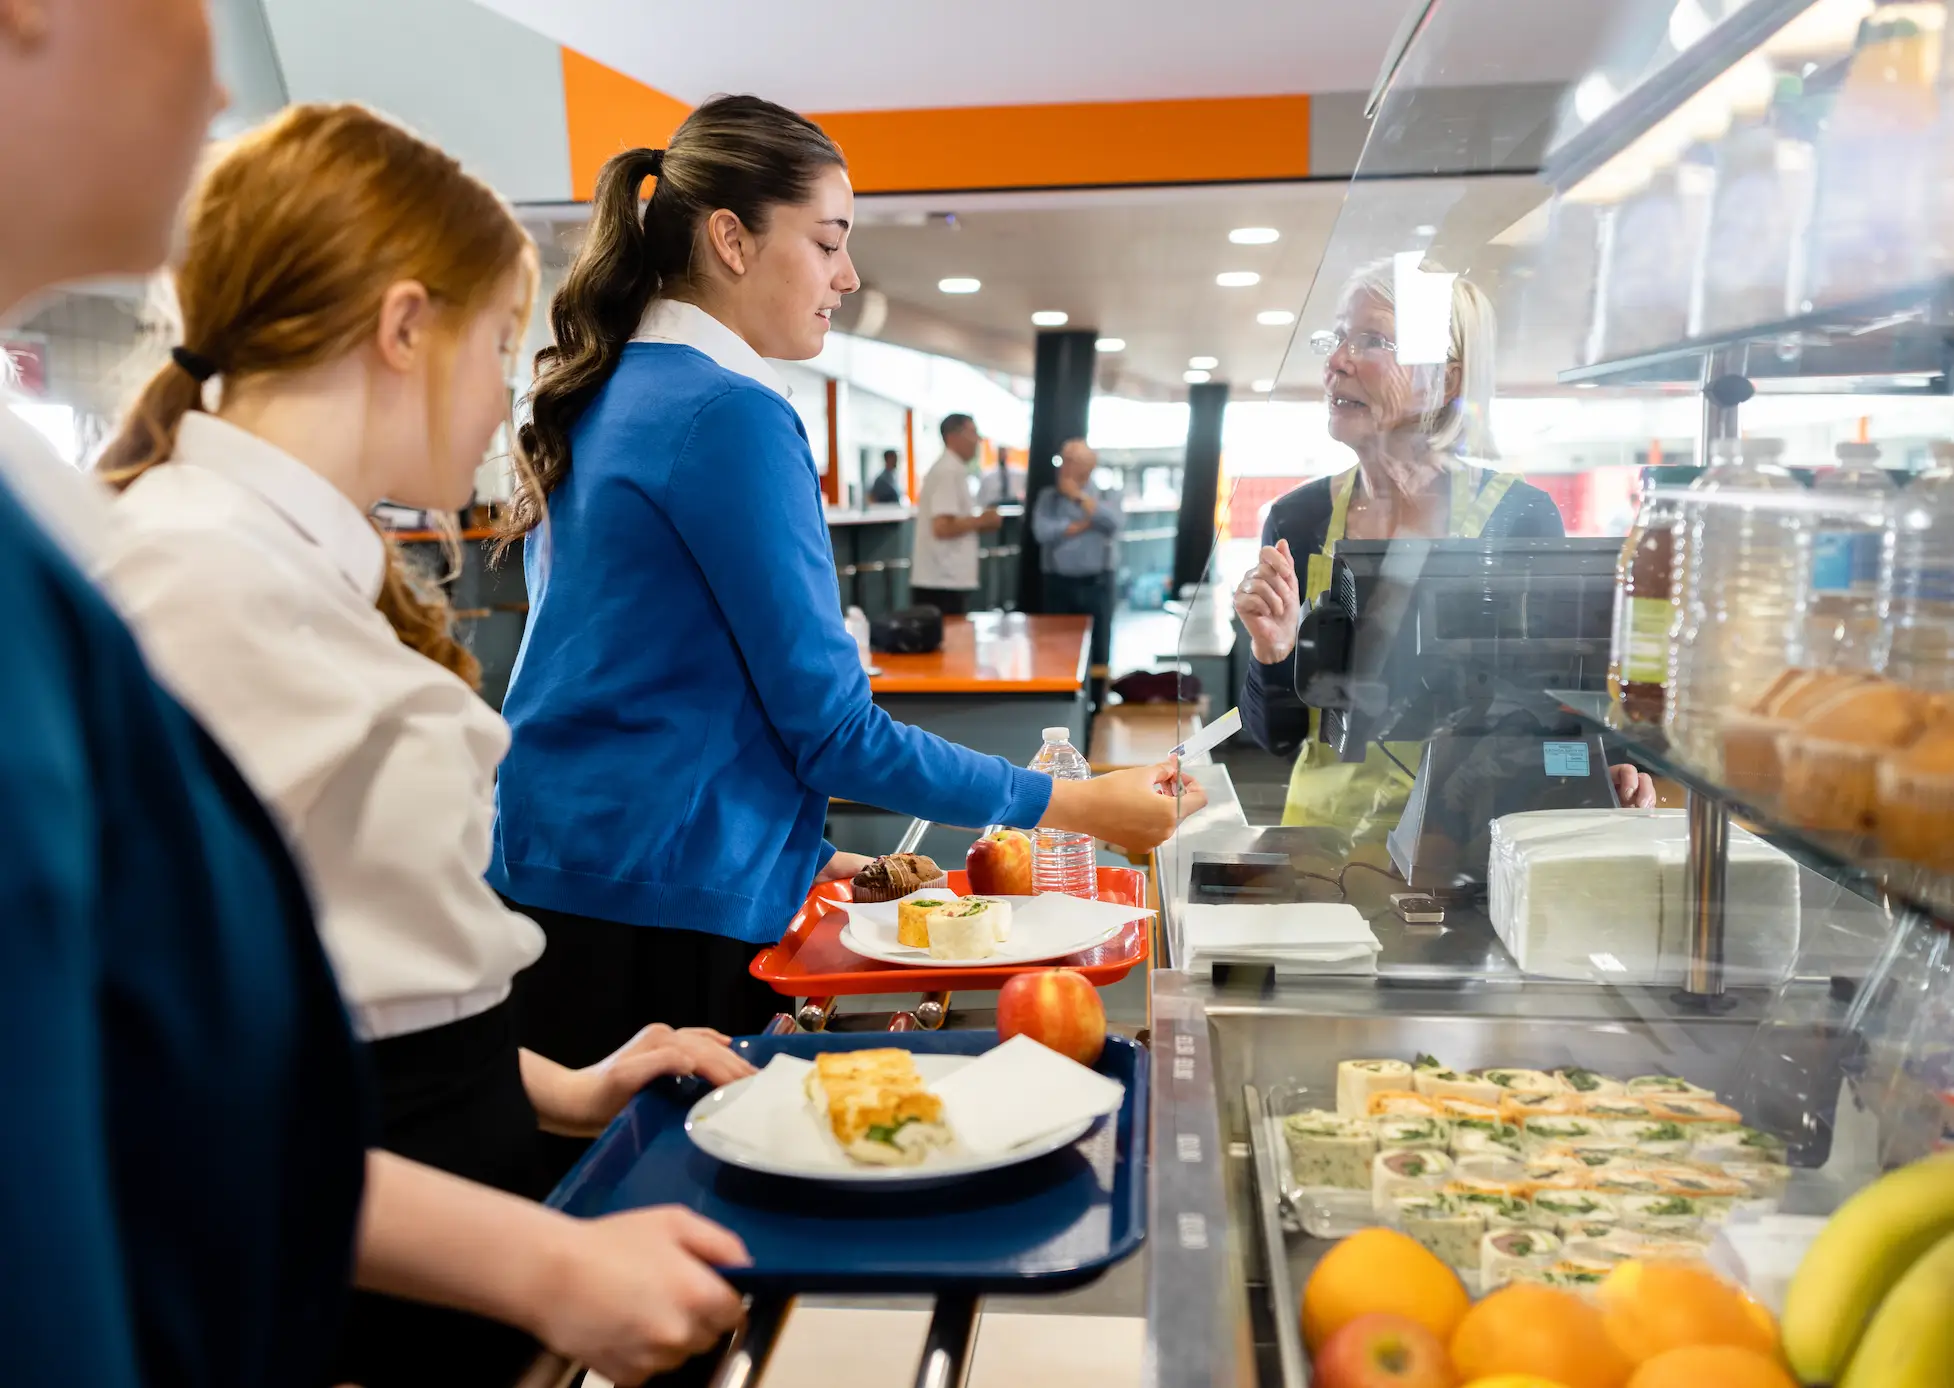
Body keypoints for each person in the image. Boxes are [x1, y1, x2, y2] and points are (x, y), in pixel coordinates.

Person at [88, 103, 753, 1388]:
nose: (508, 391)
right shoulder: (198, 580)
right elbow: (156, 1098)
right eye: (500, 343)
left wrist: (571, 1087)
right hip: (353, 1299)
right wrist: (549, 1266)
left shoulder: (280, 557)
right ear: (404, 327)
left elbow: (332, 995)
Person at [489, 97, 1203, 1063]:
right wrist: (1081, 803)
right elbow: (834, 735)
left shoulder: (608, 388)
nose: (849, 274)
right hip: (660, 909)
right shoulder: (729, 415)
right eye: (829, 243)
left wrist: (818, 856)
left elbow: (639, 684)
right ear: (732, 240)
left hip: (563, 876)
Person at [1233, 261, 1655, 842]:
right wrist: (1272, 653)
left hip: (1467, 839)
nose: (1336, 362)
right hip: (1325, 843)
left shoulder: (1518, 517)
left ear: (1447, 380)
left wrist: (1602, 767)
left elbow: (1553, 703)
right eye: (1336, 339)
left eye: (1374, 340)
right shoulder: (1296, 519)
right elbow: (1277, 740)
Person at [1032, 436, 1122, 681]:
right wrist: (1081, 525)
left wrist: (1078, 497)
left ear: (1090, 464)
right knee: (1056, 651)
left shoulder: (1106, 493)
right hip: (1058, 584)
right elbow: (1042, 532)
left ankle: (1097, 706)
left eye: (1072, 460)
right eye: (1063, 459)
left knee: (1099, 650)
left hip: (1097, 583)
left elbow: (1113, 523)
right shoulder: (1048, 498)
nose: (1065, 466)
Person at [912, 411, 999, 613]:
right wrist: (983, 520)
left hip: (946, 578)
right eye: (972, 433)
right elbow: (942, 527)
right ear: (953, 436)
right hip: (942, 580)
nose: (977, 440)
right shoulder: (948, 471)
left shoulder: (954, 469)